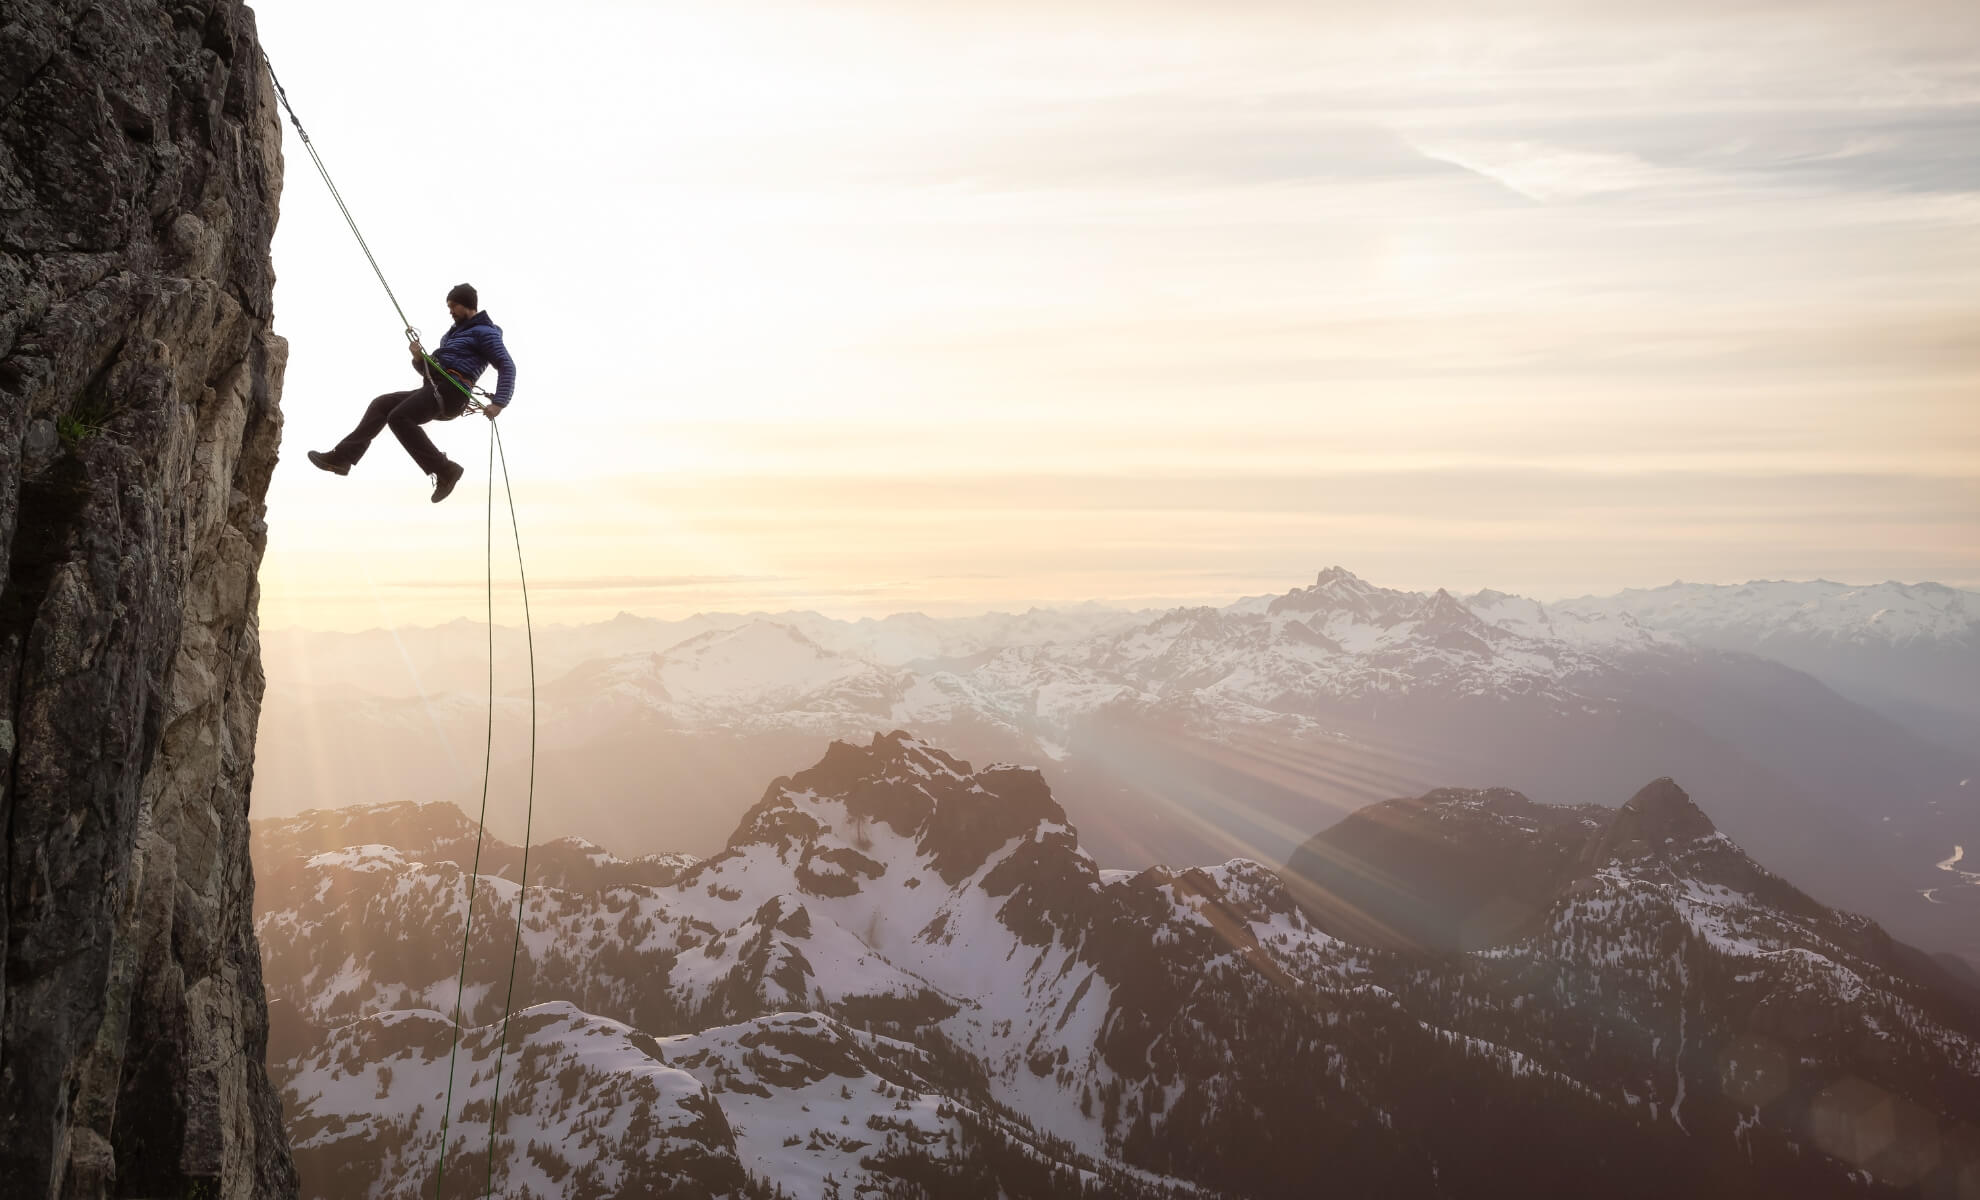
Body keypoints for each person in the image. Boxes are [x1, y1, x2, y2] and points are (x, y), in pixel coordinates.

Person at [307, 283, 517, 502]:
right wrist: (419, 358)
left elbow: (506, 365)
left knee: (399, 417)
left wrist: (499, 403)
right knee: (382, 404)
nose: (450, 311)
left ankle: (445, 470)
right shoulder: (452, 336)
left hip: (453, 392)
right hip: (437, 388)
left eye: (453, 306)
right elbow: (431, 372)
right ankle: (342, 458)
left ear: (467, 305)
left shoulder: (485, 332)